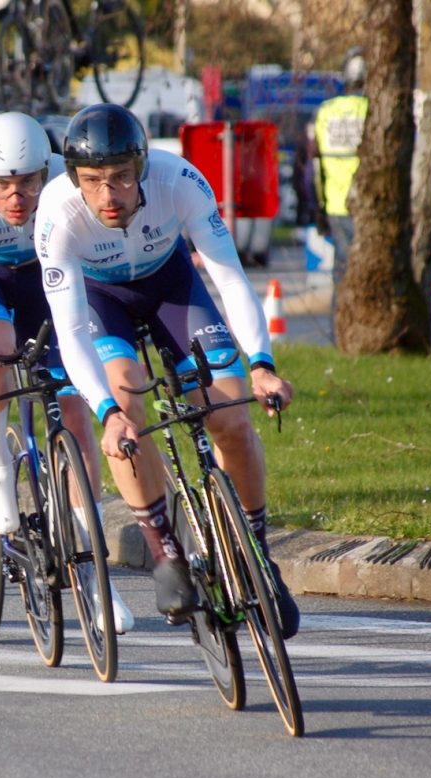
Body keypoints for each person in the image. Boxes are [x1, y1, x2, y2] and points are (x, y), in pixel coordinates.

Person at [34, 103, 299, 639]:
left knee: (228, 415)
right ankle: (164, 552)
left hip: (170, 284)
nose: (108, 196)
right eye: (92, 182)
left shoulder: (180, 179)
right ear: (73, 179)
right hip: (100, 300)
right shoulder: (57, 214)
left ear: (141, 167)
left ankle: (256, 554)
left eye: (120, 179)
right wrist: (106, 413)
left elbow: (230, 279)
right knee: (127, 401)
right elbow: (68, 332)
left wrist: (263, 366)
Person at [0, 112, 133, 633]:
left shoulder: (67, 189)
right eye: (3, 184)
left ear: (45, 171)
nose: (17, 195)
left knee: (74, 411)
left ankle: (94, 580)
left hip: (48, 282)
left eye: (27, 181)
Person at [312, 48, 368, 321]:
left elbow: (315, 165)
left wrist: (318, 206)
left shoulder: (326, 112)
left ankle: (340, 329)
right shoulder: (373, 111)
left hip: (335, 204)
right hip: (368, 207)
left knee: (341, 272)